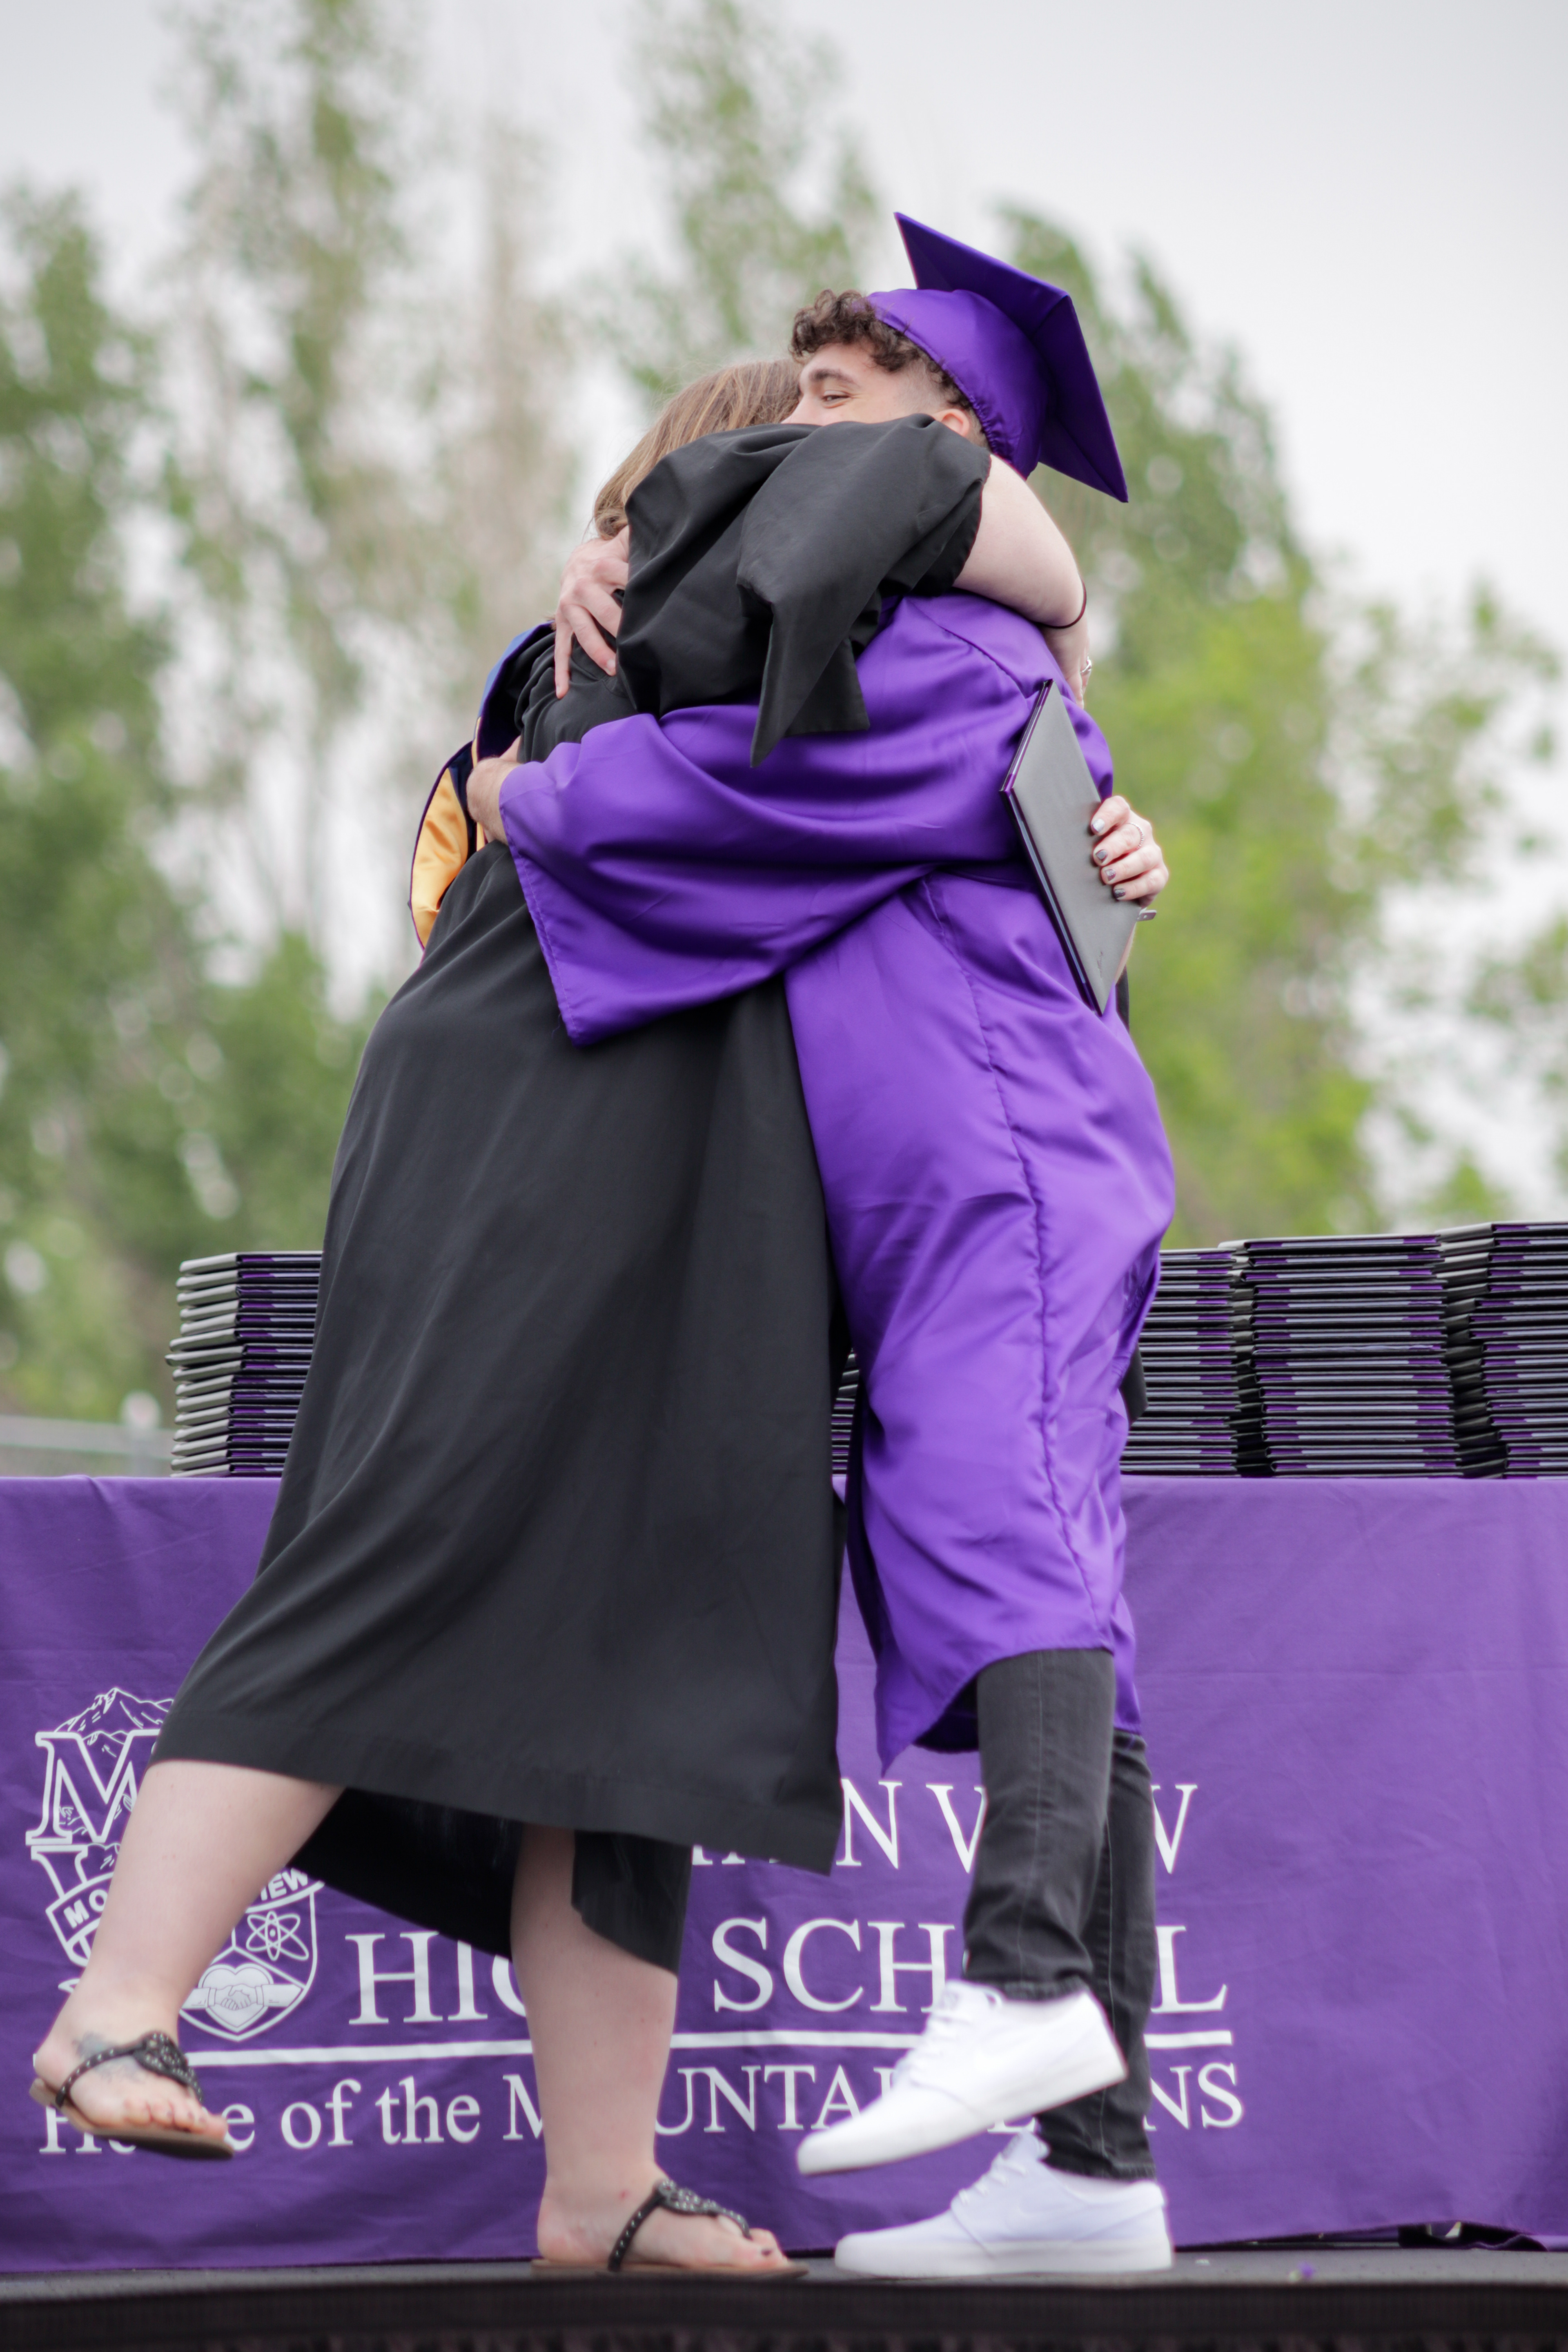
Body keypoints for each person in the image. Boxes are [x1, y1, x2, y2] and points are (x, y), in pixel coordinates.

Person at [27, 351, 1107, 2276]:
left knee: (650, 1668)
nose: (871, 458)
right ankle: (117, 2004)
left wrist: (1097, 808)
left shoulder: (752, 644)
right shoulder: (678, 625)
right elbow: (959, 521)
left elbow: (943, 788)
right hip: (538, 1132)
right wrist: (1060, 630)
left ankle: (602, 2193)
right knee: (404, 1544)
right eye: (825, 423)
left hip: (695, 1193)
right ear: (717, 485)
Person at [475, 216, 1177, 2278]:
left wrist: (532, 799)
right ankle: (1093, 2172)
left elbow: (717, 815)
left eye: (845, 411)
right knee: (1043, 1585)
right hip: (955, 1186)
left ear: (953, 447)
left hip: (1003, 1172)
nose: (800, 436)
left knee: (1006, 1533)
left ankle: (1031, 1974)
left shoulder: (944, 652)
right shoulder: (943, 640)